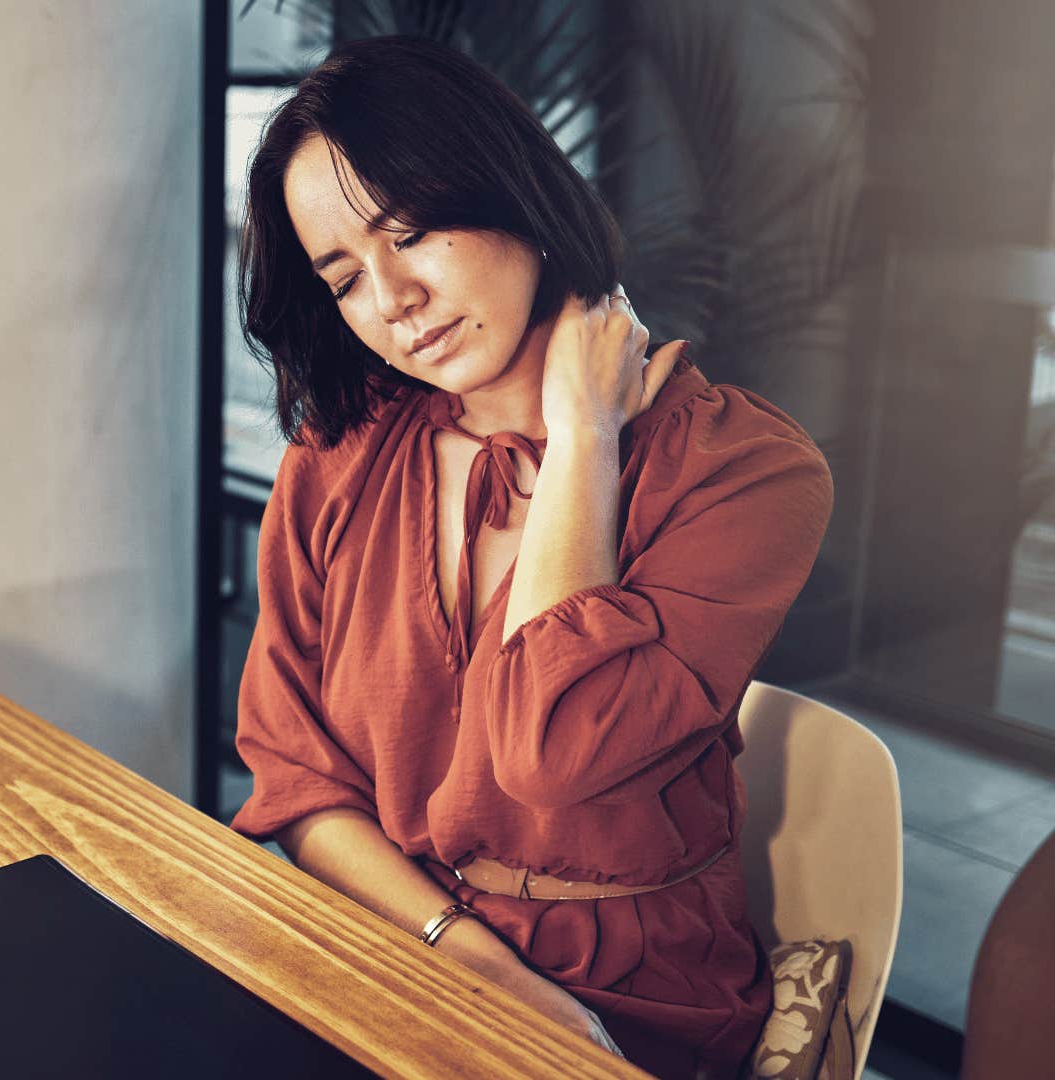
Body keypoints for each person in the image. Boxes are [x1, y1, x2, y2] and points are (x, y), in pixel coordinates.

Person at [229, 35, 833, 1080]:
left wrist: (584, 440)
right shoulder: (340, 456)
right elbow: (297, 784)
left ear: (510, 191)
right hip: (394, 944)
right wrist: (464, 960)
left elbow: (554, 750)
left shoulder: (744, 473)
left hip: (637, 1001)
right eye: (343, 276)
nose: (393, 299)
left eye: (411, 233)